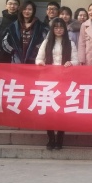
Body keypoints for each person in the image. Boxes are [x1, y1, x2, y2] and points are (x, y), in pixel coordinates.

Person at [36, 18, 79, 150]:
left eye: (61, 28)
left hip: (64, 81)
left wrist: (71, 63)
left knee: (61, 110)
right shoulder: (46, 42)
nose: (59, 30)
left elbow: (76, 61)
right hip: (49, 81)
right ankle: (51, 138)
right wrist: (41, 63)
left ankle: (60, 138)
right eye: (56, 27)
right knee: (49, 110)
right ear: (52, 29)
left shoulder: (70, 43)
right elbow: (38, 59)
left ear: (65, 29)